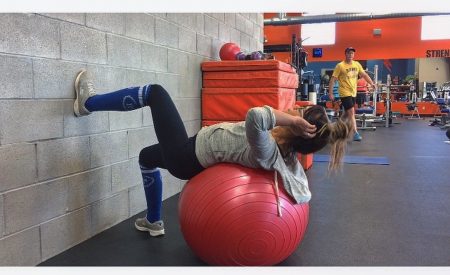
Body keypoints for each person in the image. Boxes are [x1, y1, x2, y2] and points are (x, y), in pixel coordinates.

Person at [74, 69, 351, 237]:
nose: (293, 111)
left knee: (155, 93)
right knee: (146, 157)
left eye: (299, 113)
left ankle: (88, 103)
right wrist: (292, 124)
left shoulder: (268, 150)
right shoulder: (280, 147)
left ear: (299, 128)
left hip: (185, 155)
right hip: (189, 155)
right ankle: (154, 221)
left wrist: (291, 121)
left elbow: (256, 116)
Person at [328, 47, 376, 141]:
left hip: (353, 92)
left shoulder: (357, 64)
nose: (350, 55)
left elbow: (364, 75)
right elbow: (333, 80)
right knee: (351, 113)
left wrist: (372, 83)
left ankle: (335, 128)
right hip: (344, 92)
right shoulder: (340, 66)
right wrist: (330, 93)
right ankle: (355, 132)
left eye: (352, 54)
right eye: (349, 53)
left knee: (347, 114)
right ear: (345, 54)